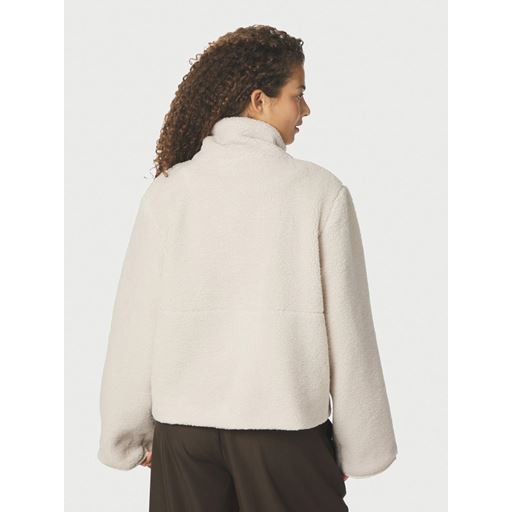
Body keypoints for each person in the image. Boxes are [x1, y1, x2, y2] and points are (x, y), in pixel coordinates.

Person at [98, 24, 398, 511]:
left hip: (185, 439)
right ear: (259, 100)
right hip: (283, 435)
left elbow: (135, 320)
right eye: (297, 95)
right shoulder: (319, 192)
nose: (305, 109)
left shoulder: (170, 191)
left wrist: (127, 433)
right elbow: (350, 328)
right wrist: (360, 445)